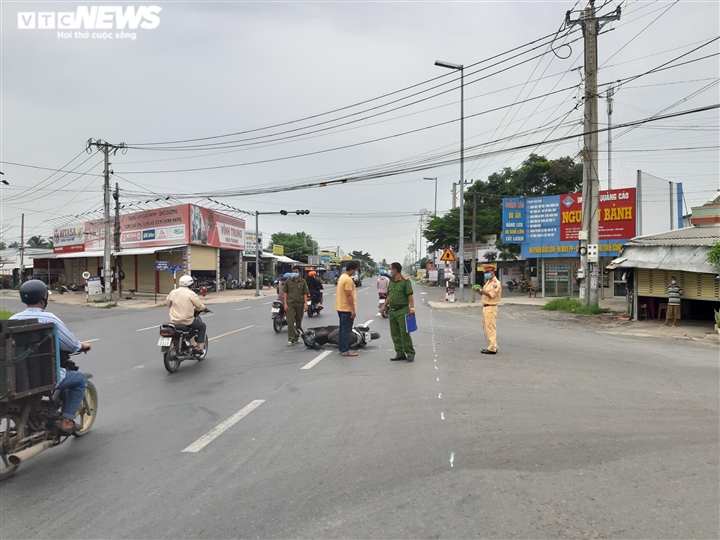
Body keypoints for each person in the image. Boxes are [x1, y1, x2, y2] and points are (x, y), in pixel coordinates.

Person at [10, 280, 92, 434]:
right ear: (44, 298)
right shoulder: (50, 319)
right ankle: (67, 421)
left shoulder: (12, 320)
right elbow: (72, 344)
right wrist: (82, 346)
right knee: (80, 380)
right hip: (45, 377)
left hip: (16, 378)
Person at [380, 262, 416, 362]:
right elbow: (389, 295)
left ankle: (410, 353)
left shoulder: (405, 281)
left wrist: (412, 308)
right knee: (395, 333)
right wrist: (384, 306)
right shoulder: (391, 281)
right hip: (392, 311)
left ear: (395, 270)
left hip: (402, 310)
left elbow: (410, 295)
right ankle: (400, 353)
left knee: (404, 333)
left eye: (391, 269)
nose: (389, 270)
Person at [166, 274, 210, 353]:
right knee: (202, 326)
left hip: (174, 321)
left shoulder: (173, 292)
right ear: (190, 284)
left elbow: (168, 304)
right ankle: (198, 347)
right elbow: (199, 306)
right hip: (187, 321)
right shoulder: (191, 293)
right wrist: (205, 309)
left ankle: (173, 346)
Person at [473, 264, 502, 354]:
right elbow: (484, 294)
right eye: (485, 272)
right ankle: (493, 345)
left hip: (491, 307)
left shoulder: (495, 283)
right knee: (487, 327)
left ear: (492, 272)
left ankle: (492, 348)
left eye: (487, 272)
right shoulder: (488, 282)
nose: (485, 274)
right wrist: (479, 291)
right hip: (486, 307)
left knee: (490, 328)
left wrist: (481, 290)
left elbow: (491, 294)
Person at [335, 261, 359, 356]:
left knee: (342, 329)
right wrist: (352, 309)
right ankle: (345, 350)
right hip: (346, 308)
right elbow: (349, 295)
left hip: (340, 307)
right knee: (346, 330)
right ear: (352, 269)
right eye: (355, 270)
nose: (355, 272)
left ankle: (342, 348)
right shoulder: (348, 280)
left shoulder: (342, 277)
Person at [283, 266, 309, 345]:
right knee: (290, 322)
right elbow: (285, 293)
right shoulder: (288, 281)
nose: (295, 273)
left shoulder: (303, 282)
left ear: (300, 273)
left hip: (299, 304)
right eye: (293, 271)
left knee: (298, 322)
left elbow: (305, 294)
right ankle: (290, 339)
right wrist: (285, 304)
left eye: (296, 272)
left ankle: (297, 337)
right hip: (290, 304)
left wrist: (305, 304)